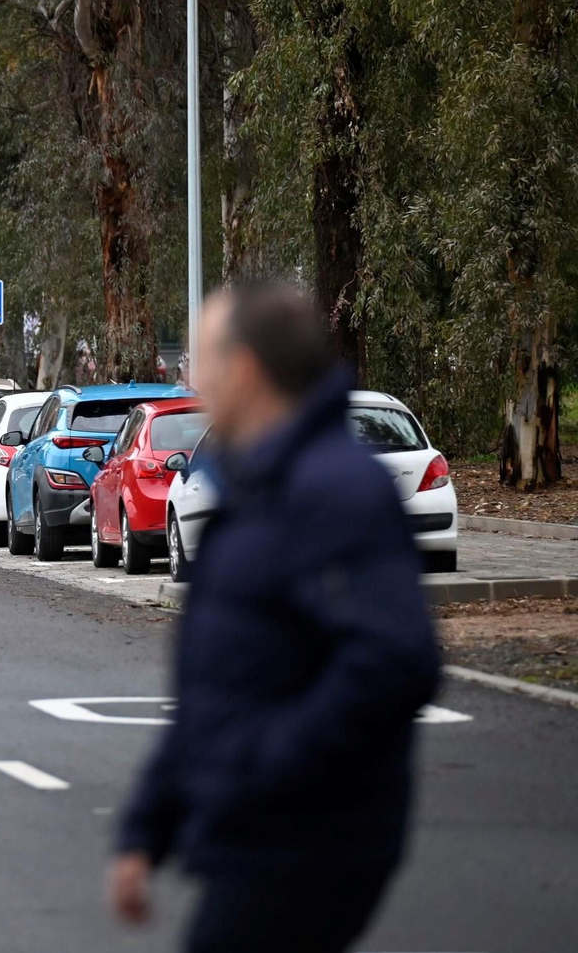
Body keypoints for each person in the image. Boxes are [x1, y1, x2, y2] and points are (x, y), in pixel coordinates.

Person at [109, 282, 440, 952]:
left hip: (310, 838)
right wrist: (148, 826)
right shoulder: (253, 485)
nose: (193, 381)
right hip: (256, 831)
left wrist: (263, 764)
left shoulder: (335, 488)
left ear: (245, 370)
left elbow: (395, 660)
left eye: (201, 362)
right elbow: (219, 684)